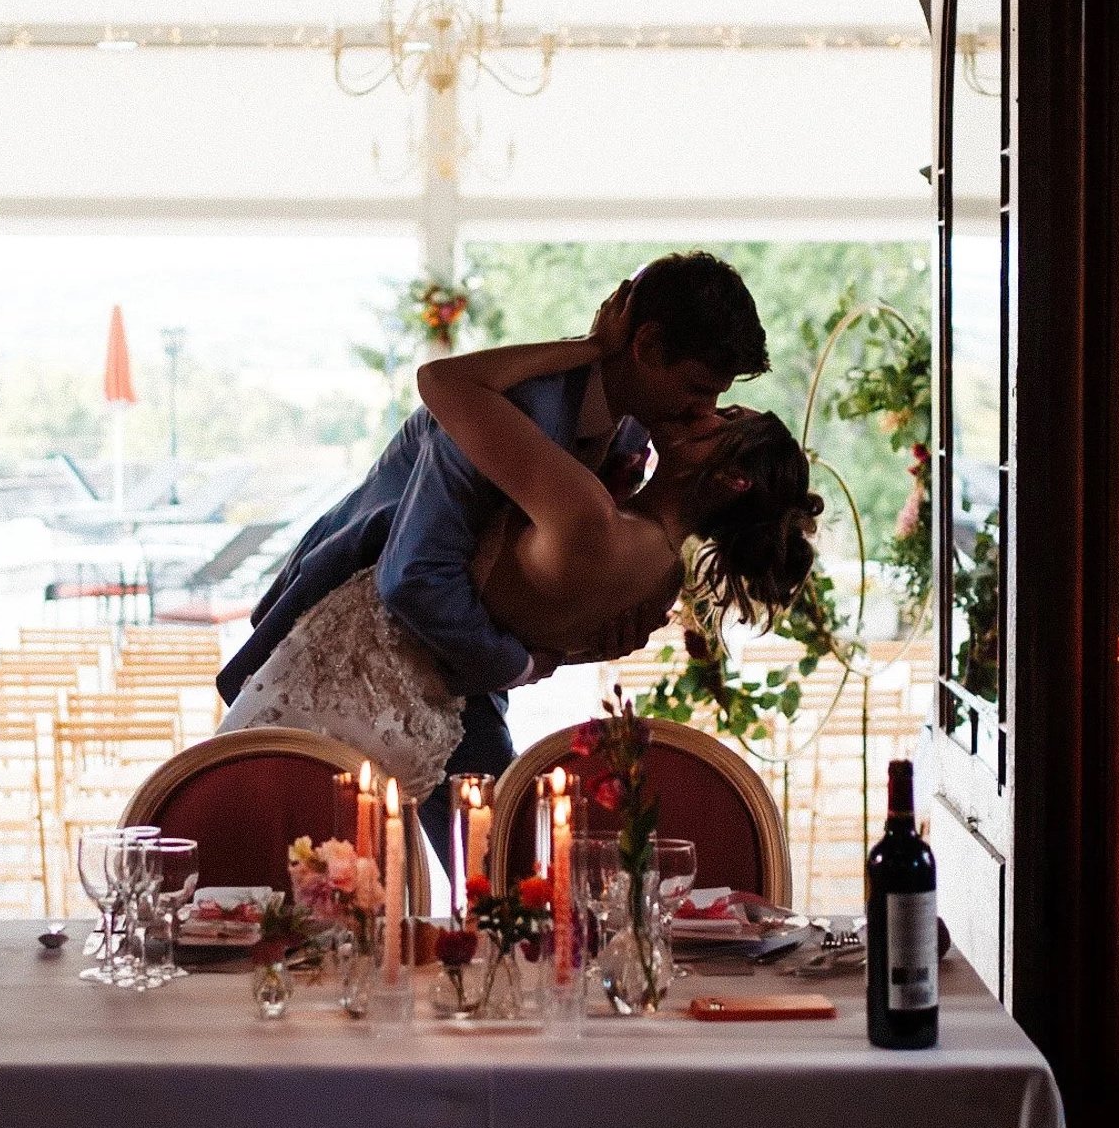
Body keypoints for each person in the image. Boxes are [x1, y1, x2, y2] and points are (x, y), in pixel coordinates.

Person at [218, 255, 817, 848]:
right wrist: (526, 661)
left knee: (498, 874)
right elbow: (414, 577)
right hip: (361, 643)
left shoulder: (638, 439)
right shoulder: (509, 407)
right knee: (296, 857)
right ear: (647, 346)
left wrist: (581, 638)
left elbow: (550, 583)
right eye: (696, 388)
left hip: (454, 677)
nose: (703, 411)